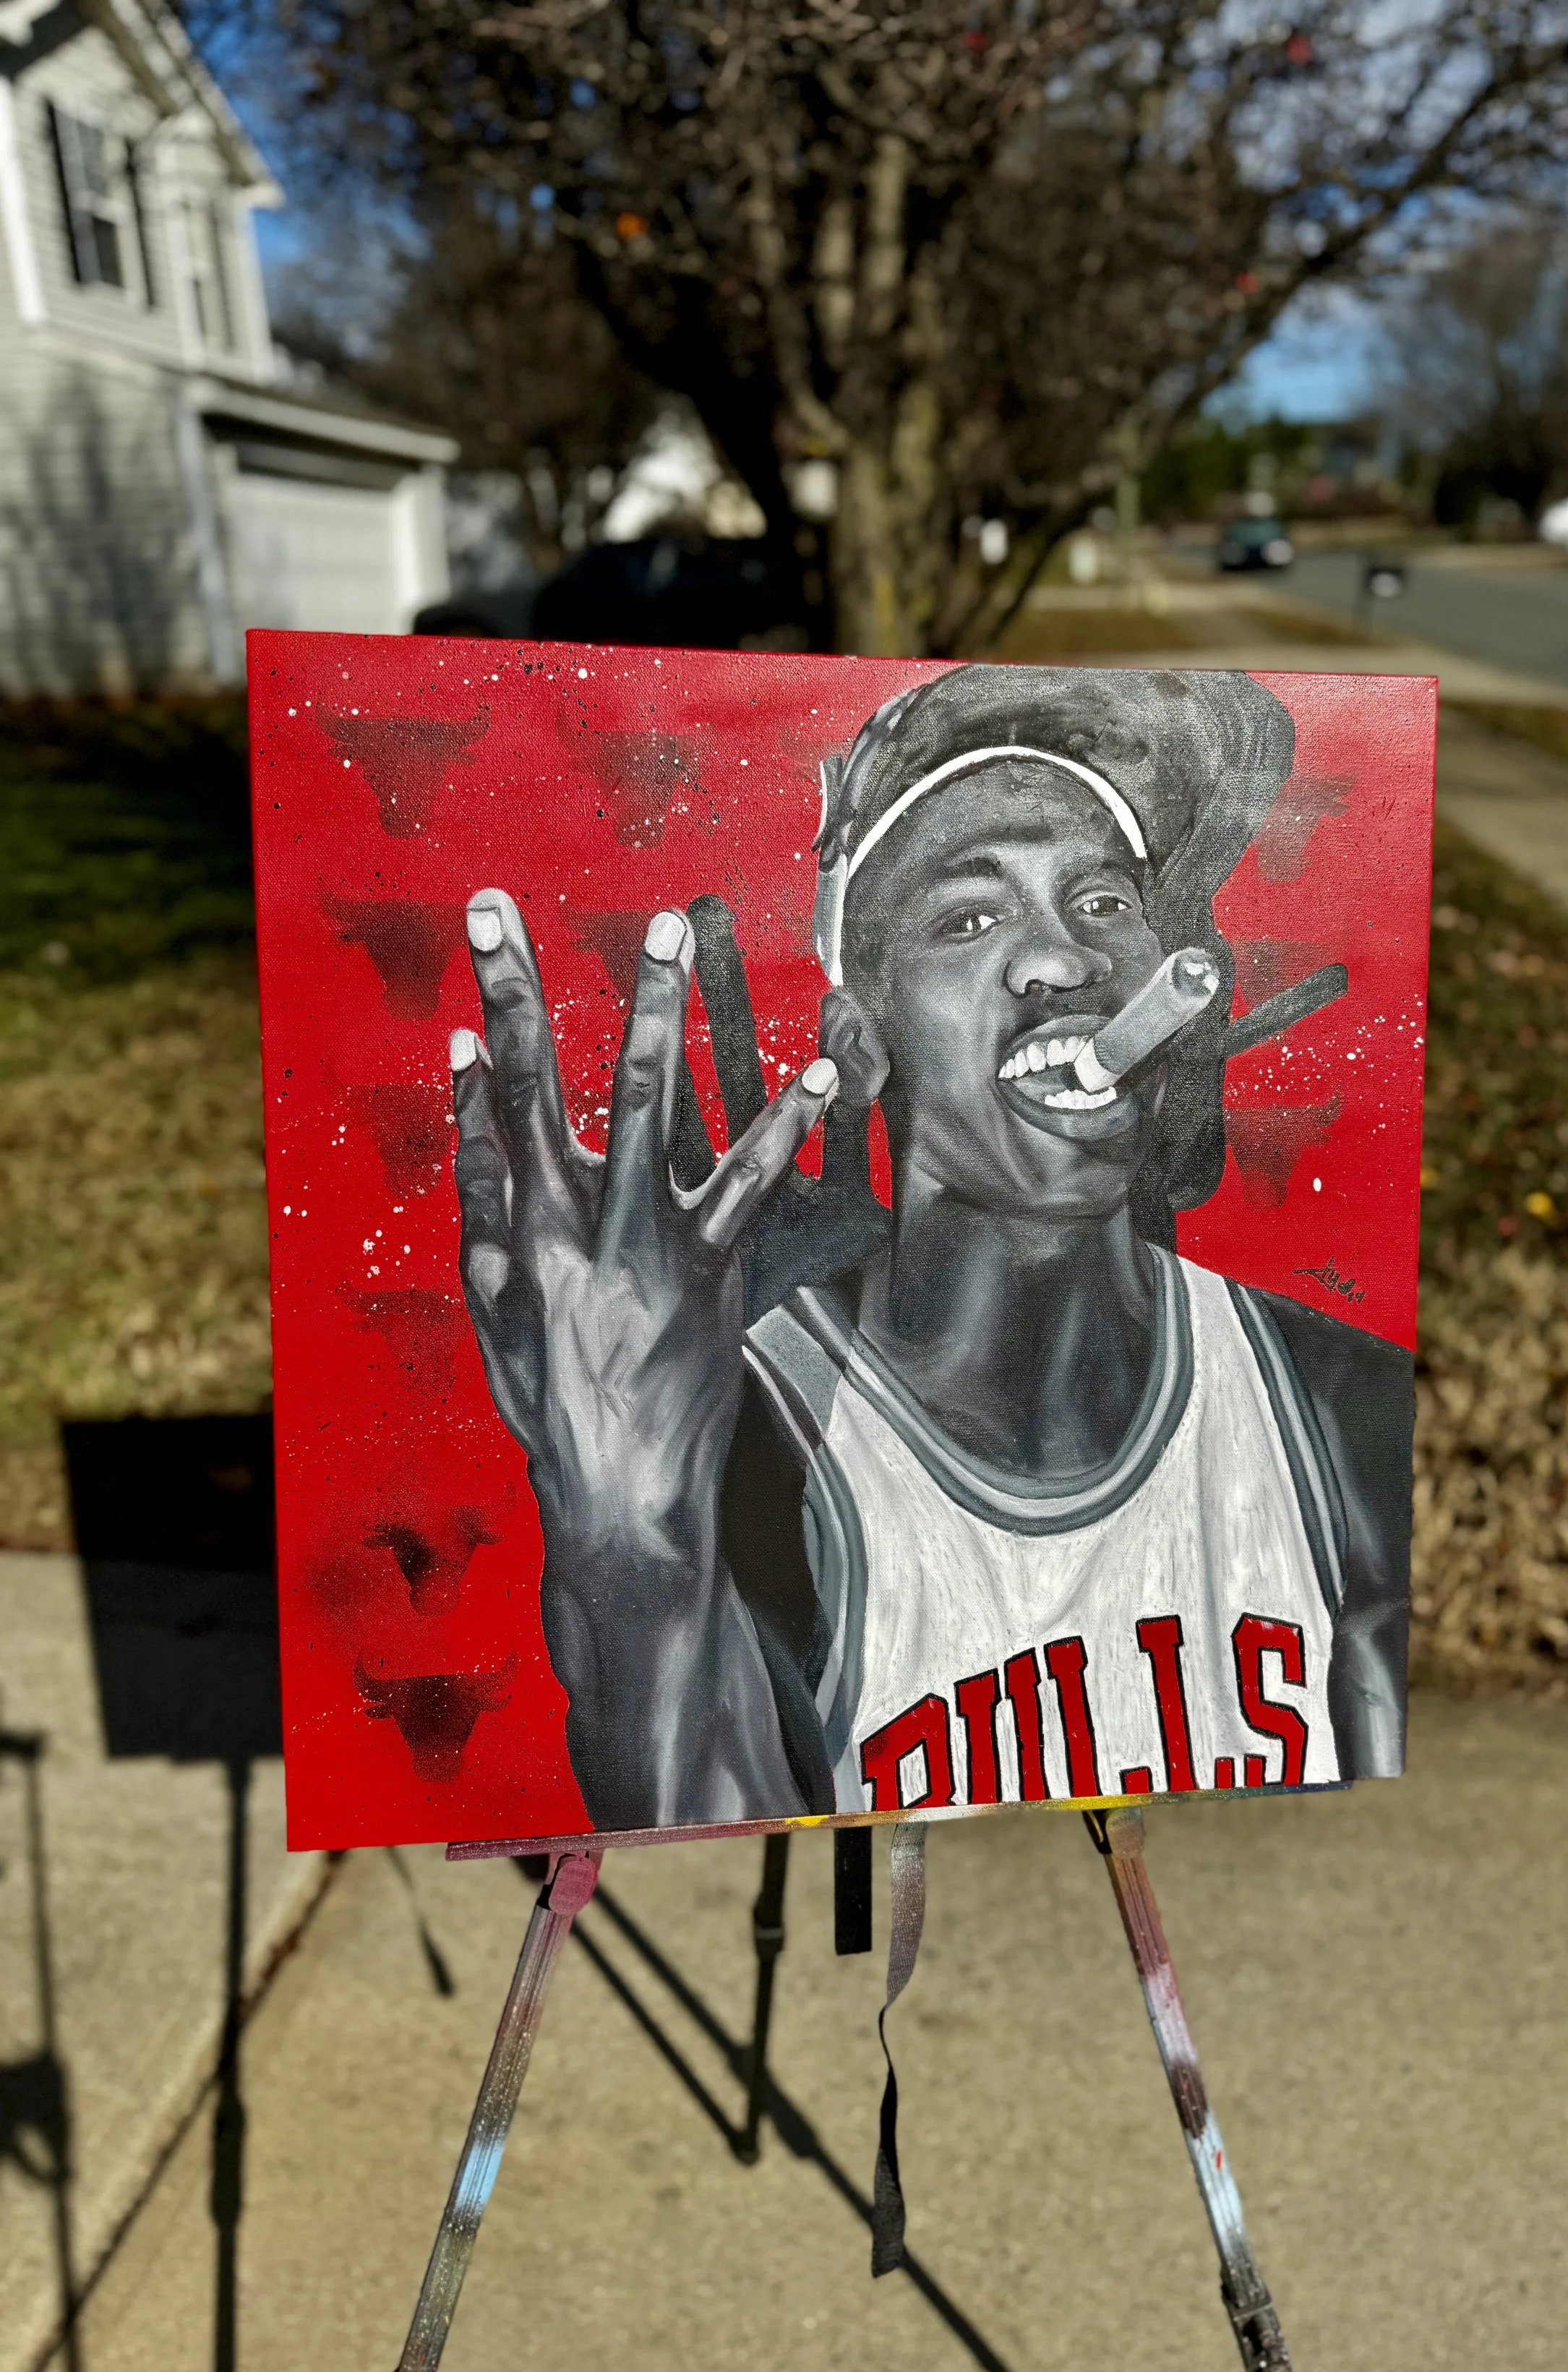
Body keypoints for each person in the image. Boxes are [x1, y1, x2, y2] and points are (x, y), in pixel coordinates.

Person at [449, 665, 1412, 1833]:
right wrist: (625, 1531)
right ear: (858, 1043)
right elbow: (708, 1828)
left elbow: (1355, 1849)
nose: (1062, 961)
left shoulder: (1335, 1407)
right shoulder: (747, 1435)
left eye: (1104, 903)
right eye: (971, 915)